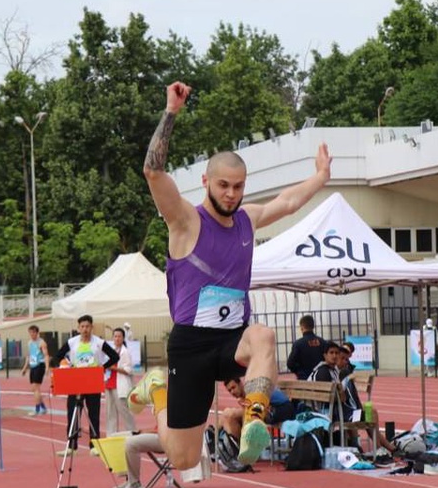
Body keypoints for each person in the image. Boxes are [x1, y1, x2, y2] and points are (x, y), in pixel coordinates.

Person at [139, 80, 331, 468]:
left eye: (238, 187)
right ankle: (158, 391)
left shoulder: (247, 220)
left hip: (230, 341)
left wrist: (320, 178)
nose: (231, 194)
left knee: (262, 335)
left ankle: (255, 421)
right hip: (191, 345)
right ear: (207, 182)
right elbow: (153, 171)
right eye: (223, 185)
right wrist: (171, 112)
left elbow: (288, 201)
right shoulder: (185, 221)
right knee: (183, 459)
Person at [53, 314, 120, 455]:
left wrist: (102, 367)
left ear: (92, 327)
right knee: (72, 412)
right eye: (82, 327)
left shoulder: (98, 342)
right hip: (75, 380)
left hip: (92, 380)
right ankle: (71, 446)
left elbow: (115, 356)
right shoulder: (72, 342)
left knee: (94, 413)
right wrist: (67, 365)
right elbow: (58, 356)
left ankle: (94, 445)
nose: (85, 329)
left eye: (87, 326)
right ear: (78, 328)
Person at [218, 377, 298, 442]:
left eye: (233, 387)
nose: (232, 392)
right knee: (228, 417)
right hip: (270, 410)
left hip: (283, 408)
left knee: (231, 414)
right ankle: (220, 440)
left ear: (240, 383)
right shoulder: (243, 399)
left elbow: (258, 409)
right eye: (229, 390)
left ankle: (236, 449)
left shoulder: (250, 390)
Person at [104, 327, 136, 435]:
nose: (117, 339)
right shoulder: (111, 351)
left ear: (123, 338)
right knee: (110, 413)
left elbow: (129, 370)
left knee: (124, 411)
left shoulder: (125, 352)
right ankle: (111, 435)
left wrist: (114, 368)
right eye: (115, 336)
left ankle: (132, 432)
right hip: (109, 384)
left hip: (119, 385)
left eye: (119, 336)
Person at [21, 324, 51, 416]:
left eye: (34, 332)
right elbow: (29, 356)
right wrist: (25, 368)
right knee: (34, 389)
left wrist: (47, 367)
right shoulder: (29, 343)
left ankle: (37, 410)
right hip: (33, 366)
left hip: (39, 365)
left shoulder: (42, 343)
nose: (32, 334)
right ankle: (43, 408)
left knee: (36, 388)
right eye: (30, 332)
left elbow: (46, 355)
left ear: (37, 333)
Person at [287, 315, 327, 380]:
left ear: (302, 327)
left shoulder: (298, 344)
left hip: (304, 379)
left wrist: (299, 372)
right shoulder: (323, 342)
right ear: (313, 326)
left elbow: (290, 364)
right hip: (321, 377)